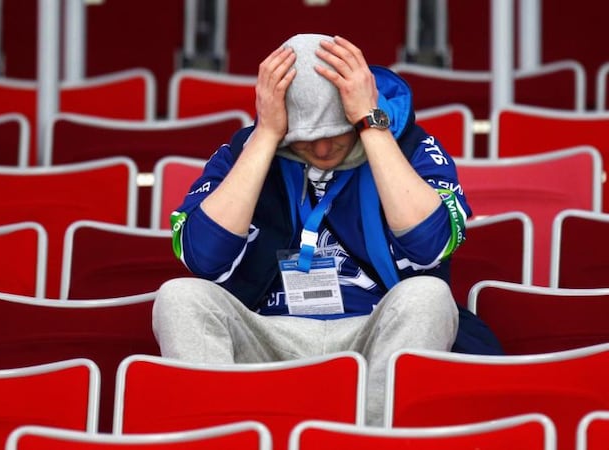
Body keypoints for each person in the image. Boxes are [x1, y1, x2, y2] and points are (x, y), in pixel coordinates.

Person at [152, 33, 502, 426]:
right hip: (269, 331)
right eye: (306, 140)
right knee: (179, 297)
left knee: (429, 295)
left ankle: (371, 438)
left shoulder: (410, 146)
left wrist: (371, 126)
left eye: (335, 133)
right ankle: (225, 435)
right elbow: (204, 257)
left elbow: (430, 246)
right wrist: (267, 135)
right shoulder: (245, 151)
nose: (321, 151)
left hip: (374, 330)